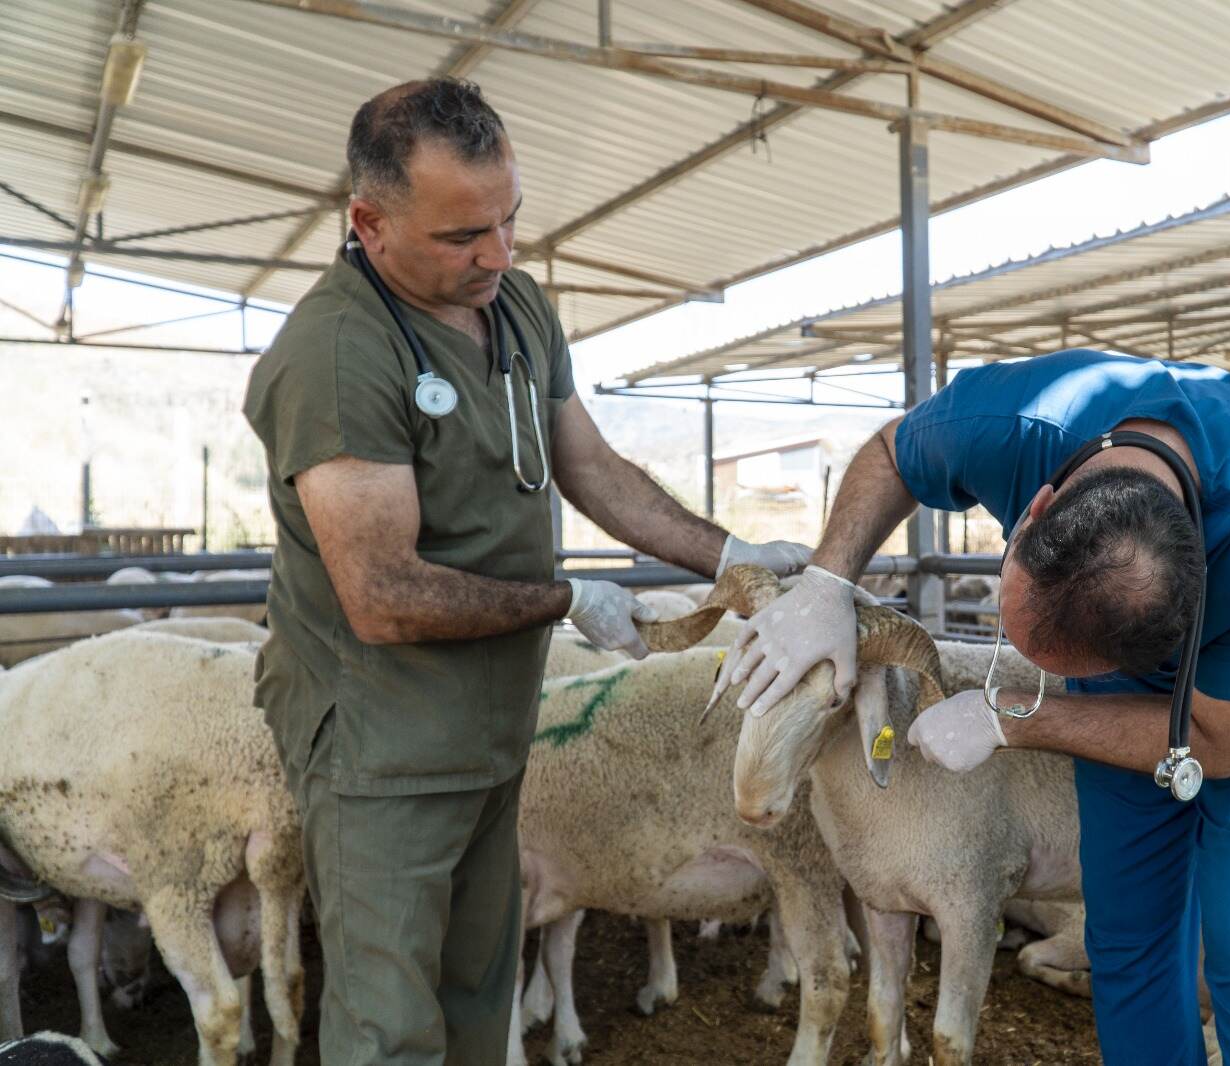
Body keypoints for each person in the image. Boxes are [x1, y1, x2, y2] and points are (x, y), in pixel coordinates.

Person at [242, 78, 809, 1066]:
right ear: (368, 223)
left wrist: (728, 554)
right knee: (389, 1027)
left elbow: (586, 463)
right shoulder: (338, 355)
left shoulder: (516, 306)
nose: (498, 254)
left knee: (478, 999)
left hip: (495, 734)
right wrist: (567, 596)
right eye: (463, 234)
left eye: (509, 219)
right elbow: (380, 594)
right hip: (384, 752)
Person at [720, 350, 1230, 1066]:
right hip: (1124, 667)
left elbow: (1222, 743)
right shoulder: (1011, 424)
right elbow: (892, 452)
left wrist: (1013, 718)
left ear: (1189, 608)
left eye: (1073, 665)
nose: (1035, 664)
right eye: (1022, 626)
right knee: (1126, 931)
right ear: (1035, 508)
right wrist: (827, 579)